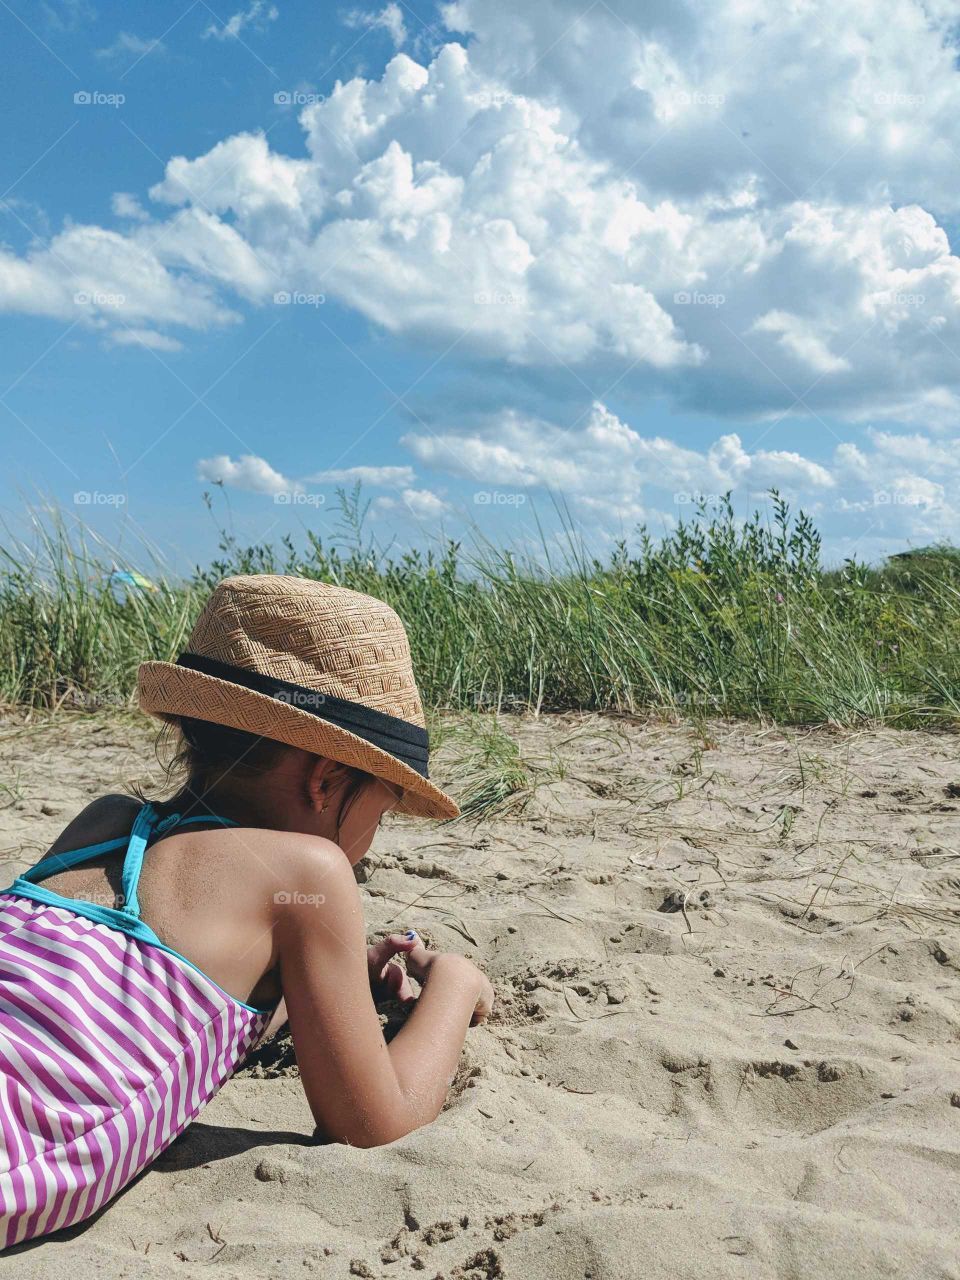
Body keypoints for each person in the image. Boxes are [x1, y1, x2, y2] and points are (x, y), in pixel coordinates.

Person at [0, 574, 493, 1248]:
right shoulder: (309, 872)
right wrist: (456, 985)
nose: (372, 842)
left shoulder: (103, 823)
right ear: (325, 780)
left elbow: (142, 999)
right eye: (380, 813)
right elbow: (375, 1123)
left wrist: (326, 983)